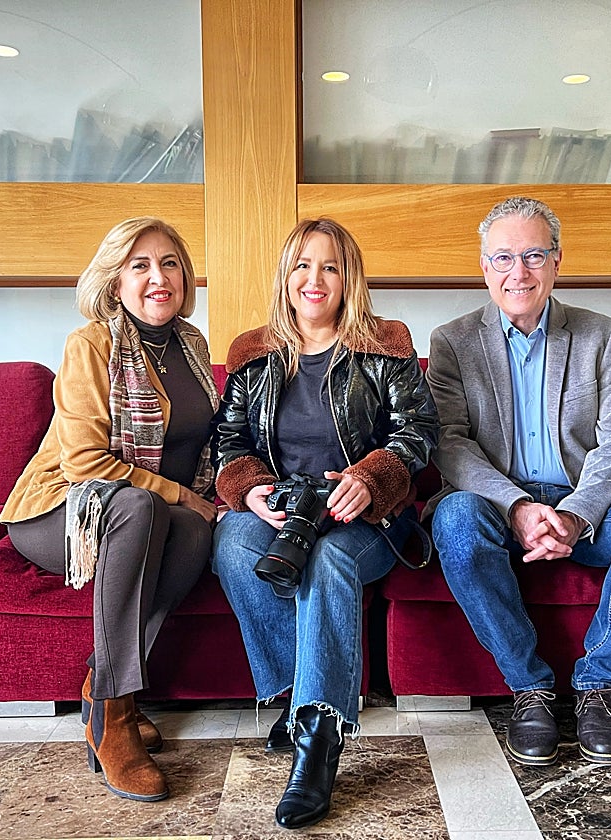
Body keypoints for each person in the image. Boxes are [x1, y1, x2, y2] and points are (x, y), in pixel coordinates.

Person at [426, 196, 611, 767]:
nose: (518, 272)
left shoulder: (600, 334)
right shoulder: (453, 342)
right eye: (503, 258)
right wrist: (518, 507)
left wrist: (573, 514)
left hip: (585, 509)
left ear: (556, 261)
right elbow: (449, 443)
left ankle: (597, 684)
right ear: (484, 267)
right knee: (454, 518)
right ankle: (530, 689)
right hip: (497, 511)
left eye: (533, 255)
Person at [212, 218, 438, 829]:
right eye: (302, 266)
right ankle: (293, 697)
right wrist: (249, 489)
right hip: (286, 509)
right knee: (232, 542)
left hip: (366, 518)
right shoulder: (253, 353)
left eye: (330, 267)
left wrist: (371, 479)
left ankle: (318, 739)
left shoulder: (385, 345)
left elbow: (419, 432)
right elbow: (228, 440)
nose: (315, 279)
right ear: (286, 276)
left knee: (332, 558)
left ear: (349, 278)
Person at [0, 216, 219, 802]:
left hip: (144, 515)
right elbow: (84, 464)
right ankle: (115, 717)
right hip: (57, 511)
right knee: (141, 507)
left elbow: (210, 446)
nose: (158, 278)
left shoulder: (192, 346)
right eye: (139, 265)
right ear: (115, 281)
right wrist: (182, 494)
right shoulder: (91, 345)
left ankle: (101, 684)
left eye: (169, 264)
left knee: (194, 531)